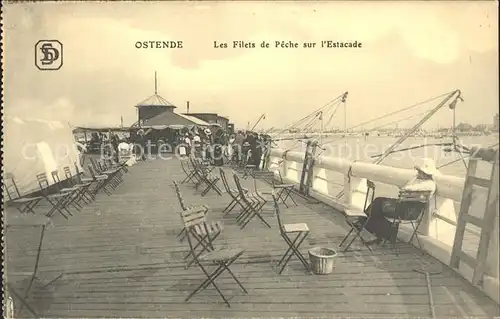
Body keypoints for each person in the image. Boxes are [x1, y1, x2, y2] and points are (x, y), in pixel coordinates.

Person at [359, 158, 438, 244]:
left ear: (425, 173)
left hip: (409, 211)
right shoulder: (419, 180)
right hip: (403, 207)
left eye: (419, 171)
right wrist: (412, 182)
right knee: (378, 202)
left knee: (377, 206)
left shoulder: (429, 184)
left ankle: (365, 225)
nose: (417, 173)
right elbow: (407, 188)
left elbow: (407, 188)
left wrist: (409, 186)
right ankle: (373, 231)